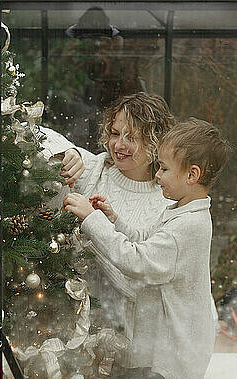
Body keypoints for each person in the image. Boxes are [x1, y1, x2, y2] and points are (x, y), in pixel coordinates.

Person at [62, 118, 232, 379]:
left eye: (164, 169)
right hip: (166, 353)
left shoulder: (188, 227)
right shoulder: (181, 211)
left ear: (191, 175)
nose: (157, 176)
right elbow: (146, 239)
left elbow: (138, 262)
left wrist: (91, 220)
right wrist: (113, 219)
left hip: (173, 360)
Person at [38, 92, 176, 345]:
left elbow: (139, 283)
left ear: (155, 142)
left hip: (125, 339)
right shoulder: (93, 168)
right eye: (114, 133)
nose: (119, 145)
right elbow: (33, 133)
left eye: (131, 137)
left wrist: (92, 227)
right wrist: (66, 151)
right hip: (63, 325)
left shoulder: (166, 201)